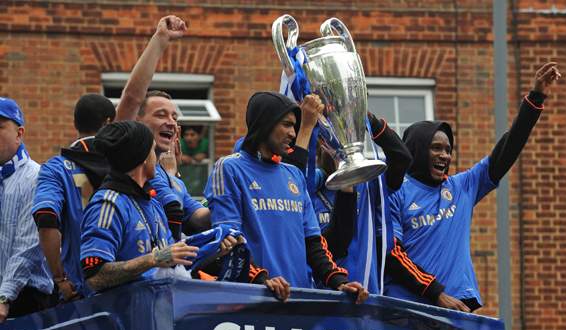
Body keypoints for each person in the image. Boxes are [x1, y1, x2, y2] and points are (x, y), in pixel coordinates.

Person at [386, 62, 561, 311]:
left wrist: (536, 97)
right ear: (416, 149)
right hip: (409, 309)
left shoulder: (461, 187)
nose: (445, 156)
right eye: (436, 148)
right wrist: (436, 293)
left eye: (448, 150)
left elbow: (506, 150)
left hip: (457, 308)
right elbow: (393, 254)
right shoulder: (396, 191)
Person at [205, 91, 369, 303]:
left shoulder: (293, 175)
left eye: (294, 126)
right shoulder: (229, 168)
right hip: (251, 300)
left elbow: (313, 243)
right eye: (286, 124)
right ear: (265, 123)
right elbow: (228, 240)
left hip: (298, 303)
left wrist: (338, 281)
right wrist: (262, 279)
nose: (292, 133)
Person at [114, 15, 209, 240]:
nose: (171, 122)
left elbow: (200, 219)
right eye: (160, 115)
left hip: (169, 270)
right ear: (137, 123)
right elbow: (131, 98)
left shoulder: (173, 180)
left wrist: (235, 197)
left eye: (174, 117)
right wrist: (160, 40)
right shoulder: (126, 157)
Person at [80, 121, 198, 292]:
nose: (157, 158)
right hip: (120, 315)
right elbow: (95, 276)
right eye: (153, 150)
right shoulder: (108, 204)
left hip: (156, 311)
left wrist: (214, 248)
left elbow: (172, 261)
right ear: (142, 156)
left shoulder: (152, 202)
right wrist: (153, 259)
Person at [313, 113, 412, 294]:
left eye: (345, 140)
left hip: (367, 292)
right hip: (325, 295)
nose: (340, 146)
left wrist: (368, 119)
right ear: (321, 143)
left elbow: (401, 158)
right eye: (334, 140)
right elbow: (329, 243)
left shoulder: (368, 181)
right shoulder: (309, 188)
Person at [32, 94, 115, 302]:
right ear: (108, 123)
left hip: (79, 289)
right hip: (126, 283)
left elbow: (45, 217)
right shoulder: (126, 164)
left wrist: (60, 280)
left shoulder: (55, 168)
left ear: (75, 123)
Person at [0, 97, 54, 322]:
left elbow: (29, 246)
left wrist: (4, 297)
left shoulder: (36, 177)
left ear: (19, 133)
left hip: (26, 301)